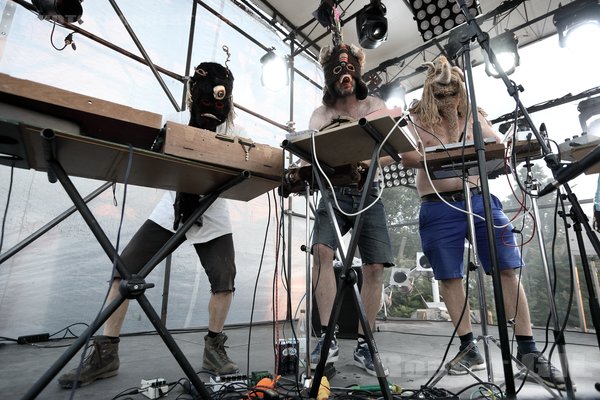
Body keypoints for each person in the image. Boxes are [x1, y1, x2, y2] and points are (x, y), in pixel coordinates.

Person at [58, 61, 240, 388]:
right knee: (124, 269)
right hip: (172, 210)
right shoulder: (175, 120)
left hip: (212, 212)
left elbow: (249, 158)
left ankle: (214, 349)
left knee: (224, 278)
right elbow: (148, 140)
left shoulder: (232, 133)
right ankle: (107, 354)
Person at [400, 55, 565, 388]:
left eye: (452, 92)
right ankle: (468, 346)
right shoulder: (416, 117)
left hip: (480, 200)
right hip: (437, 204)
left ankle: (528, 349)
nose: (447, 99)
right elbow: (407, 157)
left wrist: (463, 138)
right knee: (449, 276)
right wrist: (444, 151)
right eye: (440, 93)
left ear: (461, 89)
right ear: (430, 91)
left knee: (506, 267)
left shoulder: (474, 114)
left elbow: (496, 146)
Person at [308, 43, 396, 376]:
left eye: (350, 71)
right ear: (328, 78)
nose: (345, 76)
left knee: (375, 267)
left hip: (369, 191)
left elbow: (392, 149)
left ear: (358, 73)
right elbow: (311, 155)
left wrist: (367, 161)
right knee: (321, 252)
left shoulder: (373, 105)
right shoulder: (322, 114)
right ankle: (327, 341)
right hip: (335, 192)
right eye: (337, 71)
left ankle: (365, 345)